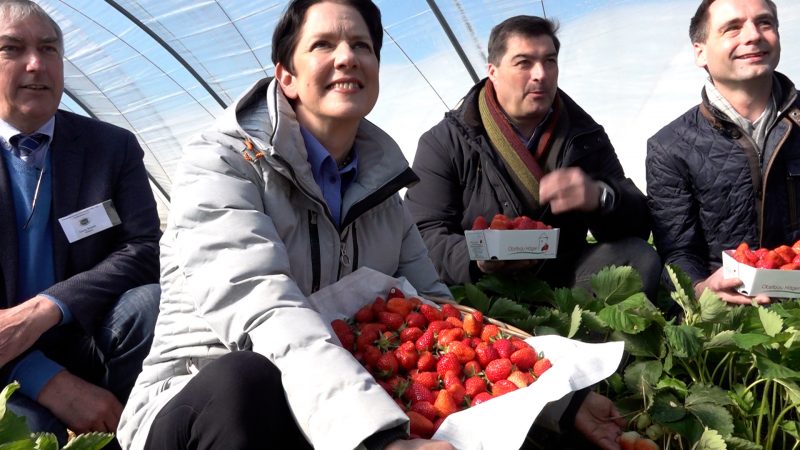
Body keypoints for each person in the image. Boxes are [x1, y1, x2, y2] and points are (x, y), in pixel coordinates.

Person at [118, 2, 625, 450]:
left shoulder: (381, 188)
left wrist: (560, 400)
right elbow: (266, 311)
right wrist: (379, 436)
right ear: (285, 76)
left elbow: (436, 317)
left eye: (361, 44)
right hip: (206, 402)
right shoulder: (221, 166)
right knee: (248, 382)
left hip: (336, 407)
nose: (347, 57)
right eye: (323, 44)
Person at [405, 16, 661, 300]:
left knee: (639, 258)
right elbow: (422, 234)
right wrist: (478, 258)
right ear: (493, 71)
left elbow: (638, 226)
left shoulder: (585, 136)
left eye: (549, 61)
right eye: (524, 63)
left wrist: (600, 197)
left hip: (564, 281)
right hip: (482, 289)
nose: (540, 74)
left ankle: (582, 339)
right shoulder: (446, 142)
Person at [0, 0, 161, 446]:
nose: (37, 63)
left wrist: (46, 308)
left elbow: (145, 247)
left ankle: (145, 432)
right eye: (12, 49)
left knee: (150, 305)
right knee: (36, 435)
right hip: (3, 358)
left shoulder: (110, 147)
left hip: (82, 330)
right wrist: (44, 379)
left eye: (49, 49)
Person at [646, 0, 798, 305]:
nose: (753, 35)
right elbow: (679, 251)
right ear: (700, 51)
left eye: (765, 23)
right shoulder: (670, 146)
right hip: (729, 308)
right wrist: (702, 289)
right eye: (733, 28)